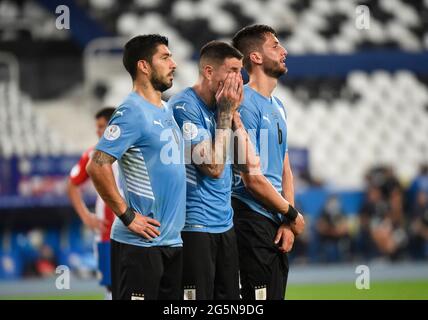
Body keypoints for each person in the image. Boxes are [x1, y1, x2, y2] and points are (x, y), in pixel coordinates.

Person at [86, 34, 186, 300]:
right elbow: (97, 166)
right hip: (141, 246)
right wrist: (127, 216)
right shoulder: (131, 111)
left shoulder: (165, 109)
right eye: (165, 57)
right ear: (144, 66)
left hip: (171, 242)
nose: (173, 64)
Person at [231, 24, 305, 300]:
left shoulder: (279, 106)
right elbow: (251, 179)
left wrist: (287, 222)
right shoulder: (242, 104)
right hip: (251, 220)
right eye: (275, 45)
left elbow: (285, 169)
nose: (284, 51)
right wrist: (293, 215)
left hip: (275, 220)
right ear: (256, 57)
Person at [168, 41, 243, 300]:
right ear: (209, 72)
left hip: (225, 223)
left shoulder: (227, 105)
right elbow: (212, 166)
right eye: (232, 70)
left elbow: (248, 161)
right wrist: (225, 115)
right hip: (195, 227)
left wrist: (233, 115)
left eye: (240, 71)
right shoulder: (183, 107)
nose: (239, 79)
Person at [67, 107, 117, 299]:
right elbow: (71, 185)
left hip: (135, 231)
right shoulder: (93, 154)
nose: (98, 131)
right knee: (111, 288)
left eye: (102, 126)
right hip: (106, 233)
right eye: (97, 127)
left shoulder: (132, 151)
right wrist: (86, 217)